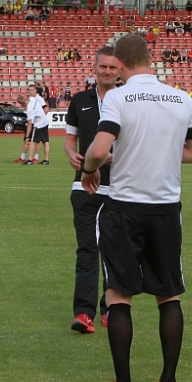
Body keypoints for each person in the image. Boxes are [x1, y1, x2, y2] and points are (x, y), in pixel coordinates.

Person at [79, 34, 192, 382]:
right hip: (166, 208)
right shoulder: (181, 97)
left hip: (125, 207)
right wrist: (161, 153)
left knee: (119, 295)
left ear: (118, 65)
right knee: (169, 295)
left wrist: (90, 169)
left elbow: (100, 149)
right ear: (150, 59)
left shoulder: (118, 97)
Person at [63, 46, 118, 335]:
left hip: (119, 188)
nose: (107, 71)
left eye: (112, 67)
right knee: (87, 249)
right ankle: (84, 313)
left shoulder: (127, 100)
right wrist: (72, 154)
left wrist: (113, 157)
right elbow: (70, 140)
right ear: (94, 68)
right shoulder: (79, 101)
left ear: (119, 70)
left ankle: (111, 307)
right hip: (83, 185)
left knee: (114, 252)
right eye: (103, 67)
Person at [25, 84, 51, 165]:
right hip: (44, 122)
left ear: (36, 90)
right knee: (45, 141)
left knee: (33, 140)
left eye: (32, 90)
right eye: (29, 90)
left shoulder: (39, 99)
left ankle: (30, 159)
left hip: (39, 123)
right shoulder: (32, 99)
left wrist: (40, 117)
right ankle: (46, 160)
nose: (30, 92)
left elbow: (46, 109)